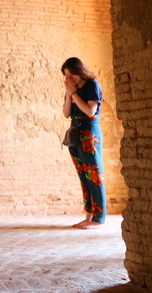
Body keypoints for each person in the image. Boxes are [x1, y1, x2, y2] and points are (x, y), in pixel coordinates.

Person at [61, 57, 106, 229]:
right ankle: (89, 215)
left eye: (72, 74)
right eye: (66, 75)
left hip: (89, 133)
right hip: (75, 134)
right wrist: (68, 93)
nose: (70, 78)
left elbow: (90, 111)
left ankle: (99, 218)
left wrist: (73, 94)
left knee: (94, 175)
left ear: (80, 71)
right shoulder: (72, 89)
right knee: (83, 176)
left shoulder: (92, 85)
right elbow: (66, 113)